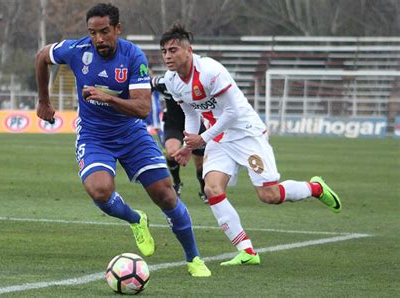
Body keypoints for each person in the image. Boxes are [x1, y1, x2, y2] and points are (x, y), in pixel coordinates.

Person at [35, 4, 210, 277]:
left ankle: (194, 258)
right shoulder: (77, 50)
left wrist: (109, 98)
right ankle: (136, 219)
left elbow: (141, 109)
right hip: (93, 135)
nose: (99, 39)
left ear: (117, 28)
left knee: (165, 194)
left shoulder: (132, 56)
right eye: (93, 33)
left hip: (131, 133)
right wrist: (43, 100)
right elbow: (41, 56)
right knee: (100, 190)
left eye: (105, 31)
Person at [159, 23, 342, 266]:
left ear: (188, 50)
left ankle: (315, 188)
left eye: (173, 50)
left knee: (269, 195)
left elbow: (232, 112)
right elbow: (192, 114)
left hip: (246, 134)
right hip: (220, 138)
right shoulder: (172, 81)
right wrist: (188, 145)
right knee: (212, 188)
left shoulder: (211, 71)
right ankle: (246, 250)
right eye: (164, 51)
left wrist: (202, 138)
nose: (168, 56)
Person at [151, 76, 207, 204]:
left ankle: (204, 190)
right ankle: (177, 183)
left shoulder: (197, 82)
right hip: (173, 123)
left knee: (200, 163)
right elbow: (144, 86)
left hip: (195, 124)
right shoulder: (162, 82)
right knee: (171, 153)